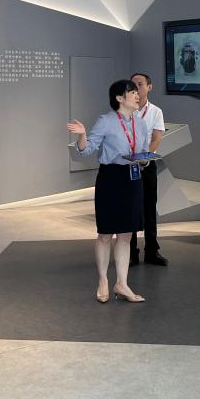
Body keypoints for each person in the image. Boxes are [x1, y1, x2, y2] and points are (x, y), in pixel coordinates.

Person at [66, 80, 150, 304]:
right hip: (111, 179)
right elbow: (86, 151)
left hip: (133, 178)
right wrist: (82, 135)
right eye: (132, 92)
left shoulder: (141, 123)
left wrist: (144, 160)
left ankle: (122, 283)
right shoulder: (106, 121)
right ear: (119, 98)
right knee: (105, 234)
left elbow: (143, 151)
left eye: (137, 92)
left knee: (126, 234)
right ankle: (103, 280)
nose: (137, 95)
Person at [129, 72, 168, 267]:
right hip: (128, 166)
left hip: (147, 165)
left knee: (150, 207)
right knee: (130, 208)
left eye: (140, 84)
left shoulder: (155, 112)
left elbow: (157, 137)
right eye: (133, 84)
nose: (136, 88)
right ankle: (130, 252)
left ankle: (152, 250)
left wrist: (145, 158)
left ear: (149, 87)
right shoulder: (125, 109)